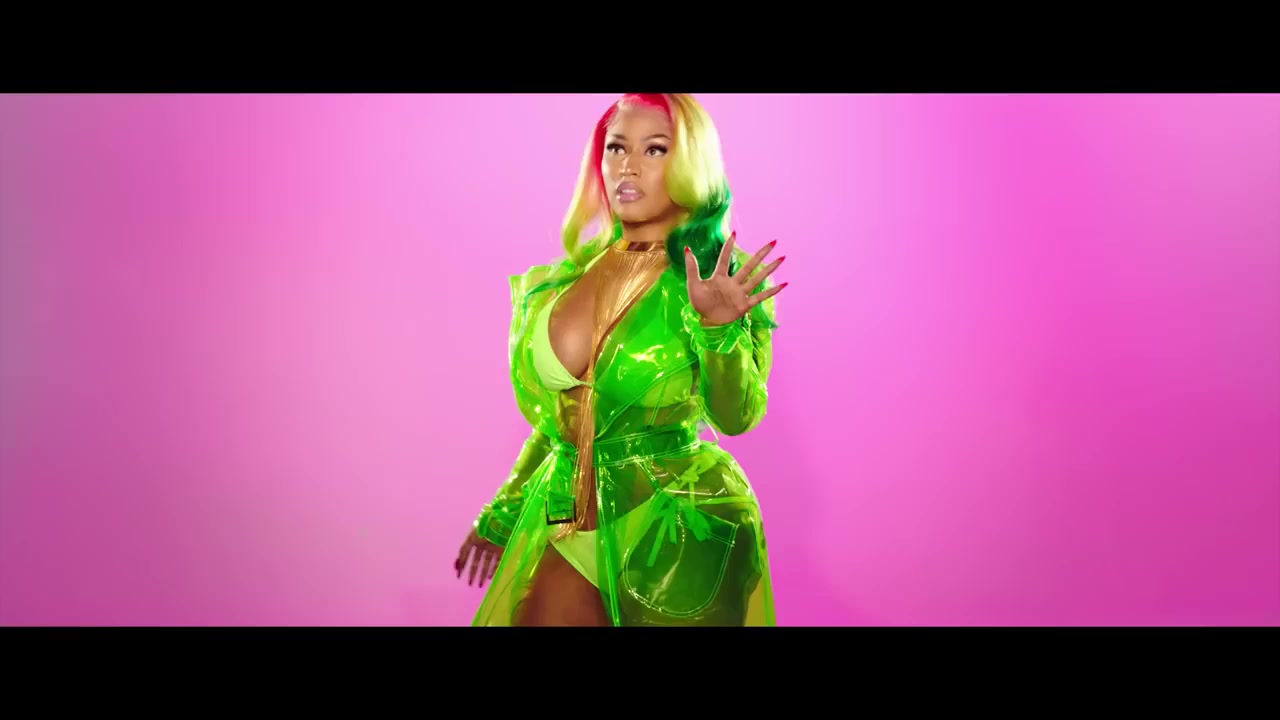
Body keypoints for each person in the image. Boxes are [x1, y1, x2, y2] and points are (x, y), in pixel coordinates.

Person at [454, 93, 787, 626]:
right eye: (615, 147)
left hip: (674, 526)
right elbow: (564, 421)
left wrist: (718, 331)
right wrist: (505, 510)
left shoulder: (722, 280)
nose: (628, 166)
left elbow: (736, 417)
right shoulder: (562, 280)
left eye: (654, 149)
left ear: (691, 164)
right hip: (567, 523)